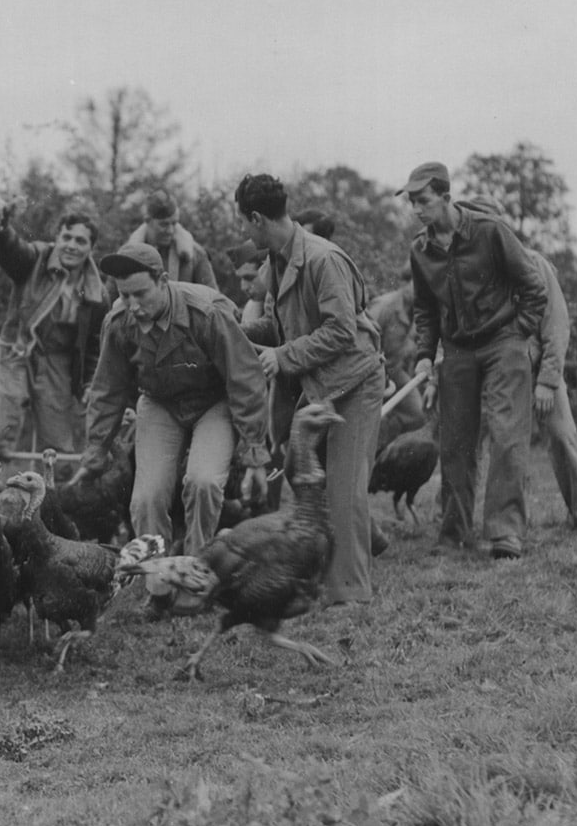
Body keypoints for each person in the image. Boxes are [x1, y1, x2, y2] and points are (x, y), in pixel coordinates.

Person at [236, 174, 386, 606]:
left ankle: (350, 594)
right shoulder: (278, 261)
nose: (244, 232)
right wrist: (233, 329)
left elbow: (340, 330)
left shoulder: (323, 259)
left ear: (258, 218)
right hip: (320, 385)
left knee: (344, 489)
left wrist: (282, 357)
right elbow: (279, 326)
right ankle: (343, 563)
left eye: (245, 224)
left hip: (355, 381)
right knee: (309, 486)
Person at [71, 242, 270, 555]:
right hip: (160, 403)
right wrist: (95, 454)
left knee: (203, 483)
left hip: (213, 402)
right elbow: (107, 391)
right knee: (145, 499)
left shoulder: (205, 312)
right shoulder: (119, 323)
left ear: (162, 281)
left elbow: (244, 378)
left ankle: (197, 569)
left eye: (140, 293)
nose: (133, 305)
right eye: (125, 295)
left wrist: (255, 452)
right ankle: (154, 576)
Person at [401, 162, 548, 559]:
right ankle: (454, 534)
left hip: (504, 342)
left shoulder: (491, 232)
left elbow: (533, 287)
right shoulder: (420, 250)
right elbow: (426, 311)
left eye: (423, 201)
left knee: (506, 435)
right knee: (455, 444)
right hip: (458, 350)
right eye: (412, 202)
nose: (417, 209)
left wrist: (519, 333)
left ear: (447, 198)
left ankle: (505, 533)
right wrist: (424, 357)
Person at [463, 195, 577, 530]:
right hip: (495, 376)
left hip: (538, 369)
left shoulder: (533, 264)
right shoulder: (469, 271)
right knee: (484, 445)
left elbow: (556, 326)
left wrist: (548, 381)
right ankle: (475, 523)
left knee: (561, 435)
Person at [0, 203, 108, 464]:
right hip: (15, 351)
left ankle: (49, 502)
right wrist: (0, 229)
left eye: (80, 241)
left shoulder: (97, 294)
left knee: (58, 445)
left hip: (57, 363)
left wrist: (88, 383)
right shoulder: (36, 259)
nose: (71, 245)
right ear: (56, 239)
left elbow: (94, 346)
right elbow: (11, 251)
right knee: (0, 434)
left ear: (91, 248)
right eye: (66, 237)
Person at [368, 264, 426, 451]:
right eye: (416, 284)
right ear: (405, 283)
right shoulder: (384, 306)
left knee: (416, 413)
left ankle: (383, 446)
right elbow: (362, 341)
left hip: (394, 373)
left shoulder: (419, 313)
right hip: (370, 373)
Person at [126, 191, 217, 287]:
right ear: (148, 221)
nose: (170, 231)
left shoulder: (196, 254)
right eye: (164, 224)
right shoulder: (127, 255)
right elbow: (110, 297)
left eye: (174, 223)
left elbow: (214, 298)